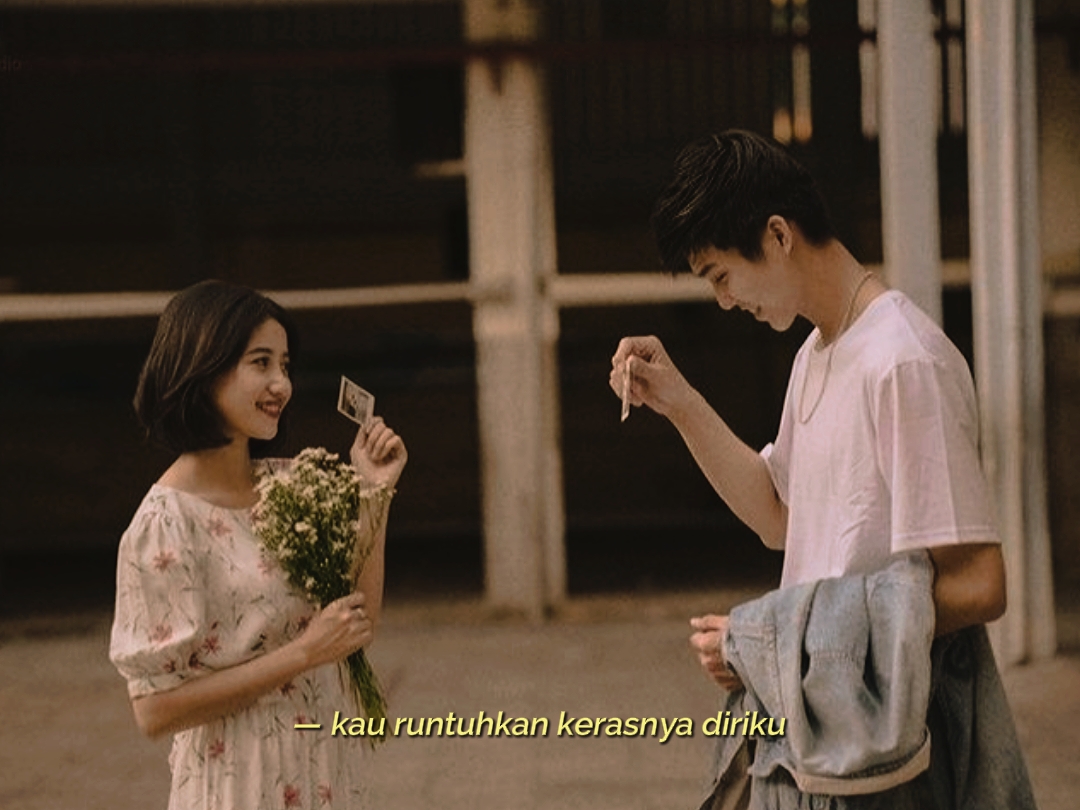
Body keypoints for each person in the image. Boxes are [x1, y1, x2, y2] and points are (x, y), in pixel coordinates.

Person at [610, 131, 1013, 802]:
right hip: (826, 734)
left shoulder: (903, 361)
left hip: (892, 749)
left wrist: (775, 639)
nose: (724, 301)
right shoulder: (818, 354)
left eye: (720, 276)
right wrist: (678, 401)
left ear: (776, 235)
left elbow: (979, 584)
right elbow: (780, 517)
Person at [109, 280, 407, 809]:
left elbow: (357, 626)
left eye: (285, 365)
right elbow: (154, 711)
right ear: (204, 367)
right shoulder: (164, 525)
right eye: (261, 363)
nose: (281, 385)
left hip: (325, 771)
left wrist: (373, 495)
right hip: (237, 782)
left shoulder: (293, 485)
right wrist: (303, 653)